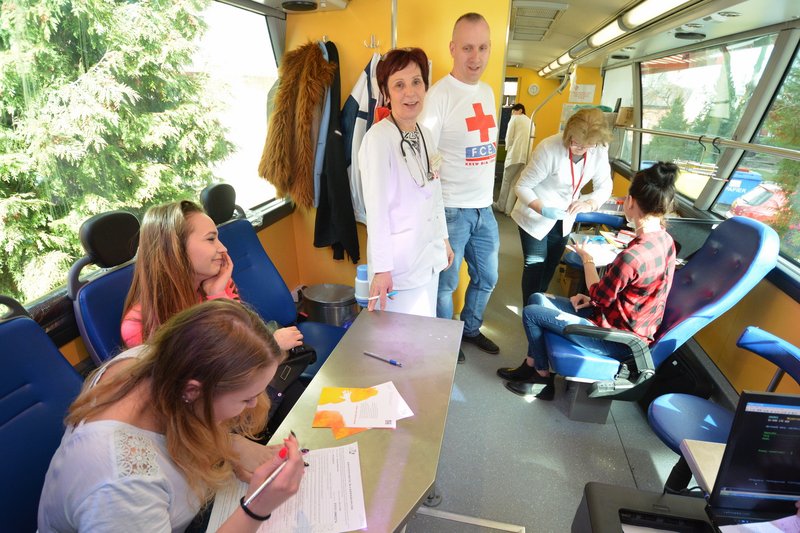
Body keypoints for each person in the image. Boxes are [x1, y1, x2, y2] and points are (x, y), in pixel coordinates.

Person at [38, 299, 305, 532]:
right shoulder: (121, 483)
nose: (253, 404)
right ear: (192, 391)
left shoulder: (152, 361)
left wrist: (229, 444)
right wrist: (257, 507)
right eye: (246, 398)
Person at [497, 162, 678, 399]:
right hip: (623, 326)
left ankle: (542, 379)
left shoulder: (632, 257)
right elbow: (612, 297)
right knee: (537, 297)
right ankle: (530, 364)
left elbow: (597, 296)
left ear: (631, 201)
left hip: (615, 339)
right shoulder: (665, 240)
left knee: (532, 313)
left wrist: (587, 259)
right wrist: (593, 298)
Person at [421, 12, 500, 361]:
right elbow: (426, 163)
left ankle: (469, 328)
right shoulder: (438, 96)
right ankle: (443, 340)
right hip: (452, 209)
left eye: (482, 47)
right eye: (467, 48)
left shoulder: (488, 92)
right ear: (453, 48)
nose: (476, 57)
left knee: (488, 277)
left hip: (485, 207)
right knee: (446, 284)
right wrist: (437, 224)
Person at [120, 200, 302, 351]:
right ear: (174, 250)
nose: (223, 248)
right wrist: (271, 345)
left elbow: (246, 337)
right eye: (210, 239)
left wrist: (218, 295)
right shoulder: (139, 325)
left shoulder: (218, 284)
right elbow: (221, 366)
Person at [359, 47, 454, 317]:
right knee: (399, 337)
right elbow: (376, 210)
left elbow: (435, 191)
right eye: (399, 85)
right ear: (387, 93)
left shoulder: (425, 134)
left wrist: (444, 239)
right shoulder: (378, 139)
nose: (410, 93)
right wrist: (381, 270)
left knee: (424, 327)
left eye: (416, 82)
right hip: (397, 268)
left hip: (429, 257)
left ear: (425, 86)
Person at [511, 107, 612, 308]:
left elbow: (605, 186)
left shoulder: (599, 148)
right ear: (568, 134)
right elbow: (521, 186)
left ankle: (538, 303)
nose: (581, 149)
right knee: (535, 265)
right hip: (536, 215)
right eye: (576, 144)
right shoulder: (549, 148)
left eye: (587, 146)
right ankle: (531, 311)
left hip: (565, 216)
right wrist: (542, 209)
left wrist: (589, 202)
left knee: (551, 265)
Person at [494, 103, 532, 215]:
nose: (512, 114)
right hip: (525, 157)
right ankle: (509, 210)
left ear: (520, 110)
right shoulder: (531, 121)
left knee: (506, 181)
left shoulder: (515, 118)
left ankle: (501, 206)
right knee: (514, 183)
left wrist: (507, 148)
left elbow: (508, 137)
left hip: (514, 155)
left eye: (513, 111)